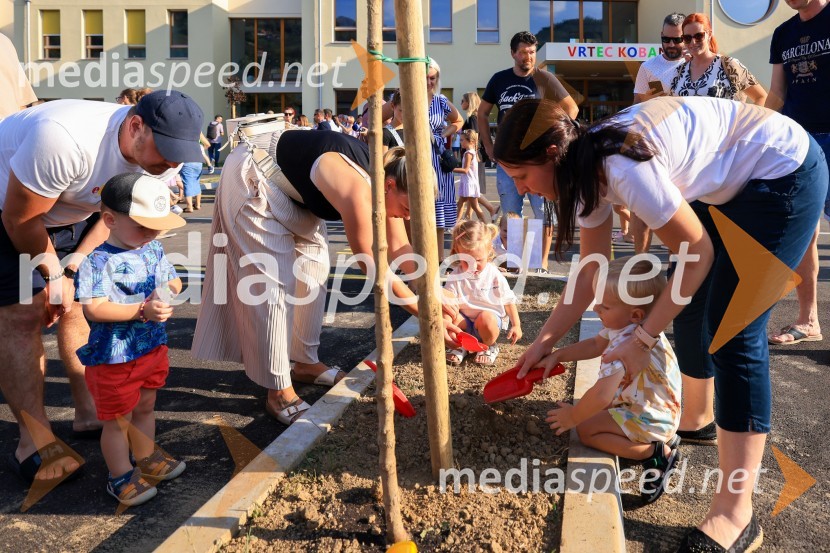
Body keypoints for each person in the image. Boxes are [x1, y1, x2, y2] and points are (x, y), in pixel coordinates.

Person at [498, 97, 826, 552]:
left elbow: (699, 254)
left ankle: (736, 514)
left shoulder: (621, 168)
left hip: (783, 171)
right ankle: (698, 418)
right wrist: (544, 341)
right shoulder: (582, 168)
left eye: (521, 177)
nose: (522, 190)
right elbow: (591, 270)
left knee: (734, 330)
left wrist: (643, 338)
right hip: (730, 180)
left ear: (552, 155)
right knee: (689, 306)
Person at [0, 91, 202, 487]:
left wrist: (74, 265)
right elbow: (20, 218)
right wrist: (53, 275)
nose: (171, 165)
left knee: (77, 306)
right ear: (135, 126)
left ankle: (91, 411)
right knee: (23, 315)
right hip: (9, 211)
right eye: (166, 152)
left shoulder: (159, 160)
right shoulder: (63, 140)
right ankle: (33, 441)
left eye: (180, 155)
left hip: (78, 208)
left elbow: (112, 217)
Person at [191, 131, 460, 425]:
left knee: (314, 269)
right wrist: (424, 312)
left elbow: (399, 248)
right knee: (273, 285)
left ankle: (305, 363)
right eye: (408, 209)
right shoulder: (358, 188)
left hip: (292, 191)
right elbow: (371, 262)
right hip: (256, 177)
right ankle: (278, 390)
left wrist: (434, 290)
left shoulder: (387, 184)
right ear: (390, 185)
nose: (408, 218)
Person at [75, 173, 187, 506]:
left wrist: (166, 291)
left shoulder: (152, 247)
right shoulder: (96, 262)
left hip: (150, 348)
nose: (152, 233)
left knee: (146, 407)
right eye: (143, 226)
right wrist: (142, 309)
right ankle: (120, 475)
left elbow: (174, 280)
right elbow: (94, 309)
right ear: (109, 219)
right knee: (116, 421)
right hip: (114, 358)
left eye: (157, 226)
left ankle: (147, 457)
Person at [540, 258, 682, 504]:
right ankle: (651, 439)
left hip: (649, 417)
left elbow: (602, 395)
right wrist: (559, 354)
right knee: (590, 411)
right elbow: (596, 344)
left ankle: (655, 452)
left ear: (634, 314)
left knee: (586, 430)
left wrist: (574, 417)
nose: (596, 309)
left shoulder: (622, 350)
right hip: (655, 408)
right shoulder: (635, 330)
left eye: (603, 307)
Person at [479, 31, 578, 273]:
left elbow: (572, 108)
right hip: (507, 161)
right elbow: (481, 113)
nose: (528, 57)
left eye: (532, 52)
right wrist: (489, 147)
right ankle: (514, 263)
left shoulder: (545, 79)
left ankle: (541, 264)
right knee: (512, 212)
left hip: (538, 160)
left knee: (542, 211)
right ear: (513, 53)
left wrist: (551, 133)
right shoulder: (499, 80)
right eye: (523, 52)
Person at [765, 0, 829, 346]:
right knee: (805, 233)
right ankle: (808, 322)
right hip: (799, 143)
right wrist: (754, 132)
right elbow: (777, 92)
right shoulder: (783, 33)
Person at [629, 12, 687, 252]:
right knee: (642, 205)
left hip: (686, 146)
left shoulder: (696, 64)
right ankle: (639, 263)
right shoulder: (648, 67)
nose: (671, 45)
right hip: (654, 144)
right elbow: (636, 106)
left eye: (677, 39)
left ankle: (682, 263)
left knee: (682, 208)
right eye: (666, 39)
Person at [443, 220, 521, 366]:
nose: (473, 265)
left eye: (478, 260)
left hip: (487, 324)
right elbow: (448, 302)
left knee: (487, 318)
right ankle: (460, 345)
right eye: (467, 261)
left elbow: (508, 300)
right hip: (464, 323)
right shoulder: (456, 275)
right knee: (448, 312)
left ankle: (489, 346)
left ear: (489, 251)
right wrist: (447, 326)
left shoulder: (494, 274)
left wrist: (516, 324)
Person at [669, 14, 767, 105]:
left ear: (709, 35)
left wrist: (747, 123)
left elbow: (761, 97)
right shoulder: (679, 71)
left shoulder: (729, 65)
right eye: (687, 38)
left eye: (699, 36)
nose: (693, 42)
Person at [426, 60, 465, 262]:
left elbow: (459, 120)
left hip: (437, 159)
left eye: (433, 78)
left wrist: (442, 134)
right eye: (425, 77)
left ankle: (439, 259)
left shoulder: (440, 101)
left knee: (438, 212)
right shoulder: (406, 97)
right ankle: (416, 259)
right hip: (414, 158)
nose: (429, 82)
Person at [454, 130, 490, 222]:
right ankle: (455, 224)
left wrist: (451, 169)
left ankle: (485, 226)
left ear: (470, 141)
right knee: (460, 203)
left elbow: (465, 170)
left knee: (475, 207)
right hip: (467, 182)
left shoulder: (468, 154)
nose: (460, 142)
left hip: (469, 183)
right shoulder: (471, 152)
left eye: (462, 140)